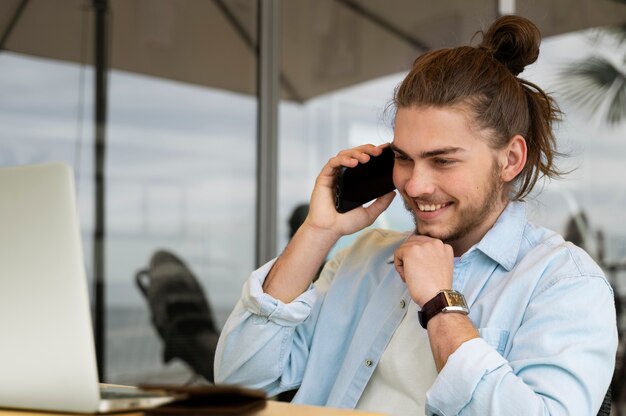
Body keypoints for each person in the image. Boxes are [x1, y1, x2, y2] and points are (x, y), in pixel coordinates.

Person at [214, 15, 617, 415]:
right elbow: (239, 383)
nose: (415, 185)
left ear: (510, 159)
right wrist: (318, 231)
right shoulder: (362, 259)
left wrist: (442, 306)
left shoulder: (563, 283)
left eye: (442, 161)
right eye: (404, 159)